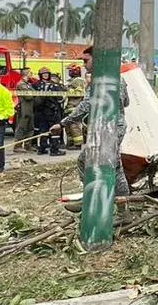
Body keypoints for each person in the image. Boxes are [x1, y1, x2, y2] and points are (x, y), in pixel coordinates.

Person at [51, 45, 130, 198]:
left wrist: (62, 124)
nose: (83, 64)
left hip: (108, 129)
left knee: (86, 160)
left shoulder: (99, 80)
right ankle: (121, 203)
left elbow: (86, 105)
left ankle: (95, 198)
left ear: (98, 59)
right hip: (115, 126)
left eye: (86, 60)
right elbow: (126, 102)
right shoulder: (118, 78)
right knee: (114, 165)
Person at [33, 67, 65, 155]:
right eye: (44, 74)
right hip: (47, 111)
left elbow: (60, 97)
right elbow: (60, 98)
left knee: (48, 129)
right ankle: (52, 150)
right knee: (50, 130)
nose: (46, 75)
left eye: (47, 73)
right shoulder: (40, 85)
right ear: (40, 75)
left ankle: (45, 149)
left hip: (47, 111)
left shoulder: (41, 85)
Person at [64, 64, 86, 150]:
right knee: (68, 126)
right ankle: (70, 143)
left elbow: (78, 92)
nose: (69, 72)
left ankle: (77, 144)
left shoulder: (79, 80)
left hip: (75, 106)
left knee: (74, 126)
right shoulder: (72, 81)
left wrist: (68, 90)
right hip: (69, 106)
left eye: (71, 70)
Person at [13, 67, 35, 153]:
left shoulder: (28, 84)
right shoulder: (21, 84)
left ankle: (27, 145)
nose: (31, 75)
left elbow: (34, 92)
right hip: (24, 109)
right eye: (30, 73)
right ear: (26, 74)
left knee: (30, 128)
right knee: (21, 128)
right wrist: (33, 93)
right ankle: (17, 146)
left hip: (29, 109)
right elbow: (28, 96)